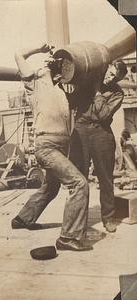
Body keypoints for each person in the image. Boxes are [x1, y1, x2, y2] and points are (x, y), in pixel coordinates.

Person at [11, 43, 92, 252]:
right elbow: (18, 53)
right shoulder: (35, 83)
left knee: (51, 187)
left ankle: (23, 219)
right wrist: (39, 49)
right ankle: (69, 238)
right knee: (79, 184)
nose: (58, 68)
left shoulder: (63, 90)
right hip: (47, 146)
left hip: (61, 147)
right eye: (55, 66)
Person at [70, 59, 127, 233]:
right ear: (107, 67)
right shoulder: (89, 79)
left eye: (115, 78)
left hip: (101, 133)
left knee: (106, 179)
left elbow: (103, 115)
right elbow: (72, 99)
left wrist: (96, 94)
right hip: (80, 130)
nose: (110, 79)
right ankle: (77, 222)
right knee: (79, 178)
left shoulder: (118, 93)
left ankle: (108, 219)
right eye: (110, 74)